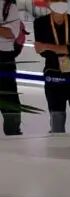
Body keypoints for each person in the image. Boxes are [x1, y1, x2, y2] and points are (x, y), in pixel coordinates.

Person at [34, 0, 70, 134]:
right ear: (48, 3)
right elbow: (41, 51)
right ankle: (57, 147)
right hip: (53, 75)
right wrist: (66, 49)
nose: (60, 3)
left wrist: (47, 46)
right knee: (57, 122)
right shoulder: (40, 23)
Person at [0, 0, 23, 135]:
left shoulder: (9, 6)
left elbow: (10, 33)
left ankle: (13, 131)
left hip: (3, 57)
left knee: (8, 98)